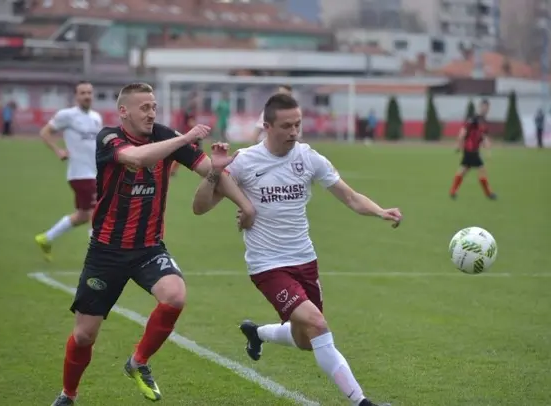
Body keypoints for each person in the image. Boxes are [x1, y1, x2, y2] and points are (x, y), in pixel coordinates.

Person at [50, 83, 255, 406]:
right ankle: (68, 395)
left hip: (148, 248)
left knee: (175, 296)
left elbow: (209, 170)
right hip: (106, 251)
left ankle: (138, 362)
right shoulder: (108, 138)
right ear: (124, 112)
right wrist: (184, 138)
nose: (151, 112)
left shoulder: (166, 135)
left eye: (154, 106)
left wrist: (243, 203)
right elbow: (138, 158)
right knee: (84, 335)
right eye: (144, 107)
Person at [191, 93, 400, 406]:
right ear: (267, 126)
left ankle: (258, 333)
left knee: (307, 340)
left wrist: (381, 211)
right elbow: (199, 207)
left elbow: (350, 197)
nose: (294, 131)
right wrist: (214, 171)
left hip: (305, 260)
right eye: (286, 125)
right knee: (317, 324)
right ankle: (362, 402)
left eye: (297, 124)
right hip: (268, 266)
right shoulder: (246, 162)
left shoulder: (308, 158)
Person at [35, 81, 103, 262]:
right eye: (82, 93)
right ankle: (97, 258)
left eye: (89, 92)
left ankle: (46, 238)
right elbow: (45, 132)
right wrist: (58, 151)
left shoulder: (96, 117)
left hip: (94, 172)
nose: (87, 96)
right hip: (80, 174)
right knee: (98, 212)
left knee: (83, 215)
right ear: (76, 96)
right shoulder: (67, 115)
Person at [449, 99, 497, 200]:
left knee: (464, 169)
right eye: (484, 106)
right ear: (480, 107)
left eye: (487, 107)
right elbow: (463, 131)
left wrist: (487, 147)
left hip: (473, 150)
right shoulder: (474, 119)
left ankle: (453, 191)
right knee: (481, 169)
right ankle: (489, 194)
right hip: (471, 149)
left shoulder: (483, 121)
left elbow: (483, 136)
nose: (486, 109)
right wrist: (459, 144)